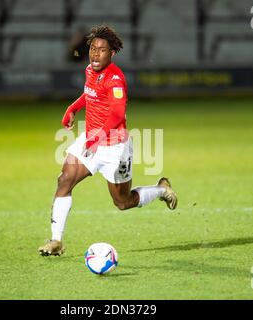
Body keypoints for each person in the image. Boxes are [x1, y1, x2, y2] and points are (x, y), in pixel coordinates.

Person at [38, 25, 177, 256]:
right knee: (65, 180)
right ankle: (56, 241)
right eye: (93, 48)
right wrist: (72, 108)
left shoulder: (115, 80)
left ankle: (162, 190)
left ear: (112, 53)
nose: (95, 54)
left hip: (115, 147)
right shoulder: (90, 71)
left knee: (122, 202)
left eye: (101, 50)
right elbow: (89, 93)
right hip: (91, 138)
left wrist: (98, 139)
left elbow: (116, 114)